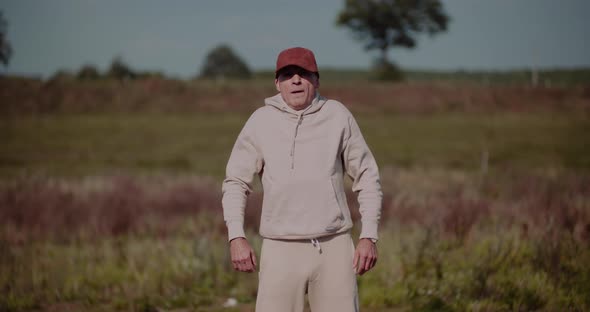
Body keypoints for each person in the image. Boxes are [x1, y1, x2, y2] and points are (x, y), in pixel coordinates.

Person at [221, 47, 383, 312]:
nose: (296, 80)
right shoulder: (260, 121)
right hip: (279, 248)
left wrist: (369, 236)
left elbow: (367, 177)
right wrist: (236, 237)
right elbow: (235, 182)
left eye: (304, 74)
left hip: (334, 247)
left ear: (316, 79)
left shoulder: (338, 115)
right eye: (287, 74)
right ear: (277, 83)